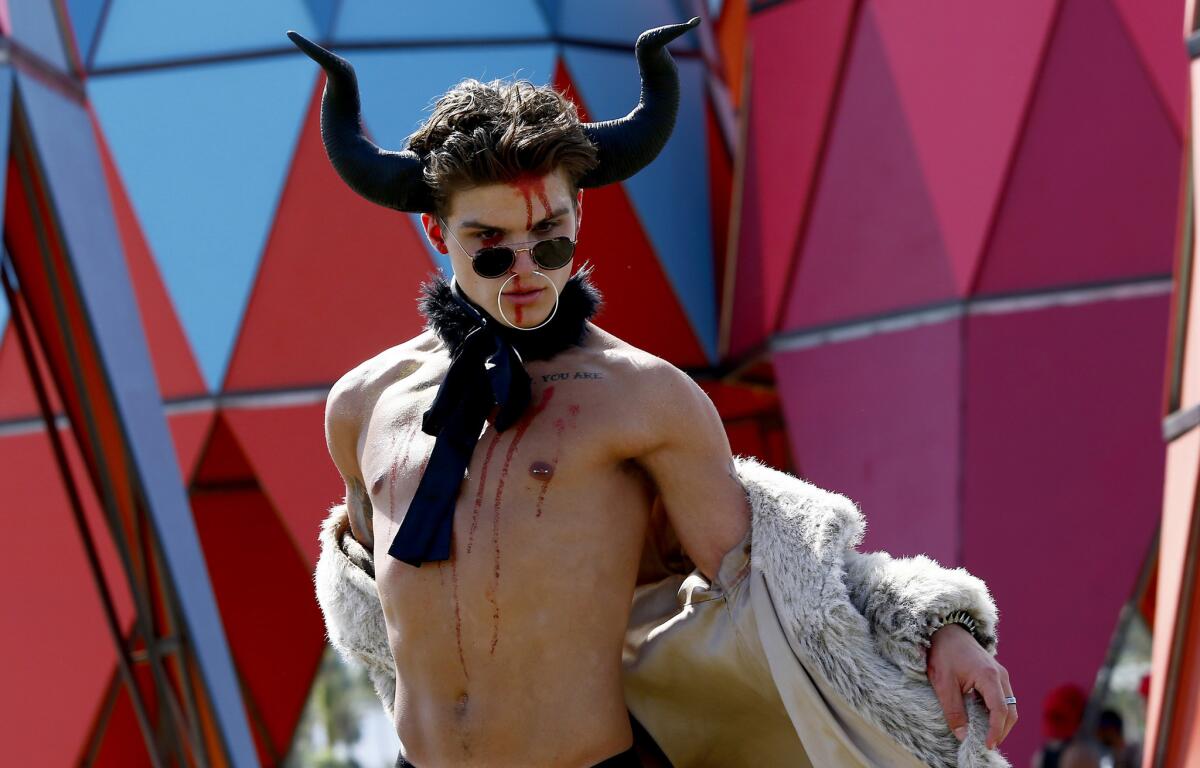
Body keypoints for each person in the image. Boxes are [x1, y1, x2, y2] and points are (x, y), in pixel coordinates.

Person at [288, 18, 1018, 768]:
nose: (525, 271)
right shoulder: (362, 404)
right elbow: (380, 614)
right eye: (492, 246)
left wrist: (935, 626)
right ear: (438, 234)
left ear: (581, 218)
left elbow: (780, 571)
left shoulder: (642, 398)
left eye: (551, 240)